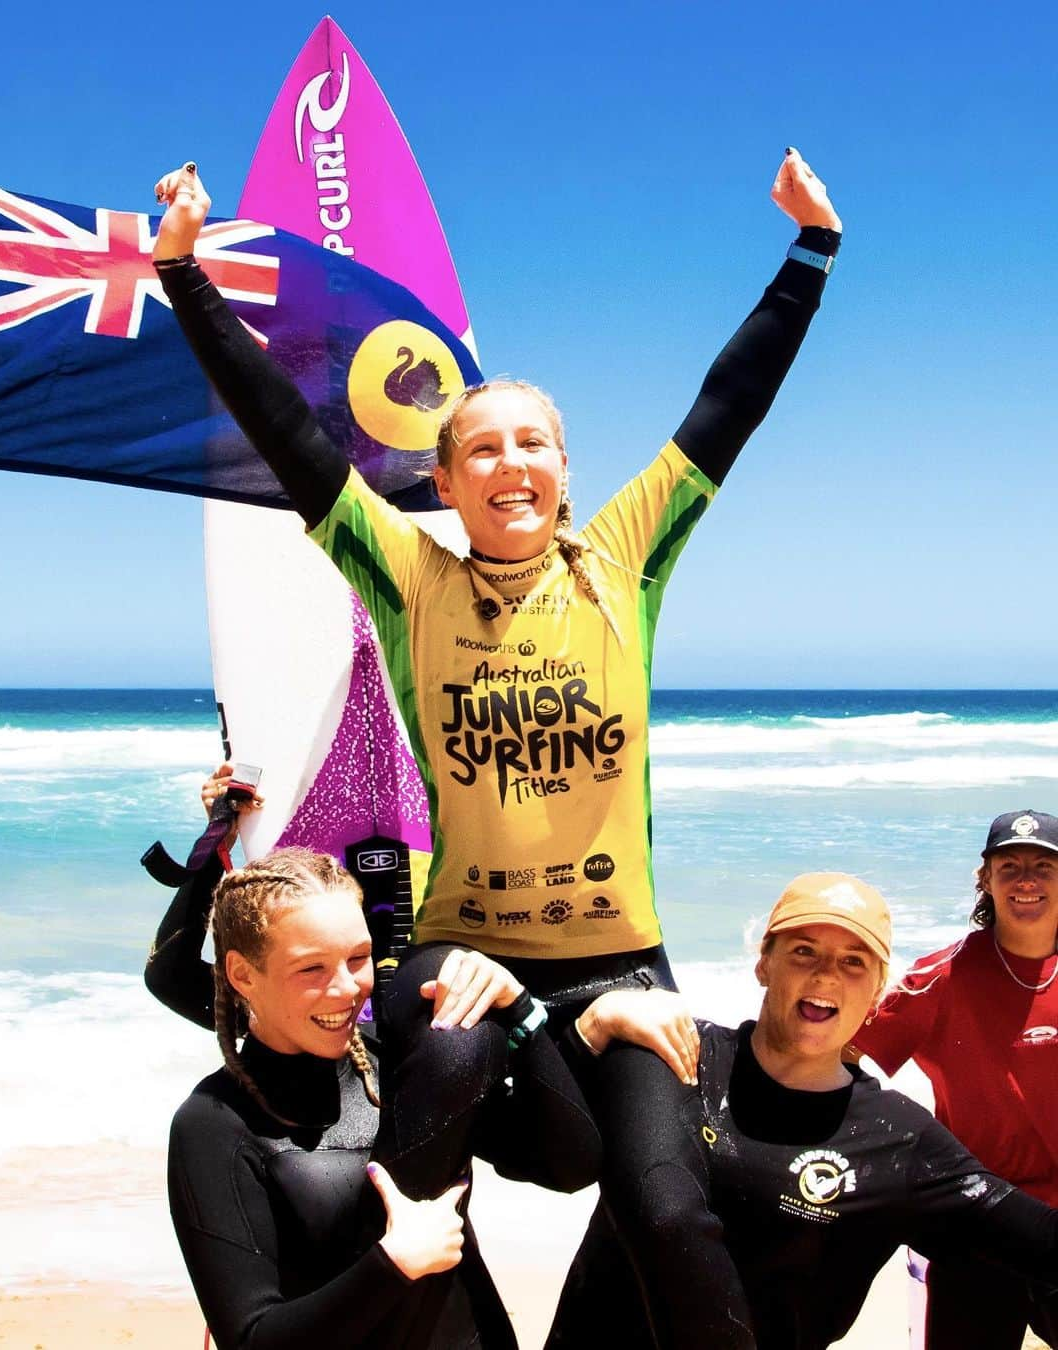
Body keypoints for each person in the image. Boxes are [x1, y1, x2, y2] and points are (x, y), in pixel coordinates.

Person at [149, 147, 839, 1283]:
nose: (508, 464)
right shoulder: (413, 579)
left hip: (621, 957)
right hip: (461, 950)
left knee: (666, 1219)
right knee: (425, 1173)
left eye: (531, 444)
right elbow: (288, 434)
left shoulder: (622, 564)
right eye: (481, 449)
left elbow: (729, 405)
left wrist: (812, 251)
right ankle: (402, 1310)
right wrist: (184, 276)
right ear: (451, 480)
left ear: (565, 469)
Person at [152, 773, 602, 1350]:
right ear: (242, 974)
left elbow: (569, 1166)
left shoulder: (402, 1073)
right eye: (311, 969)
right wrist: (392, 1264)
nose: (346, 989)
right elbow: (252, 1336)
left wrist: (522, 1013)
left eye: (359, 958)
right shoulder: (216, 1126)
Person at [548, 872, 1058, 1350]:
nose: (825, 974)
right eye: (803, 951)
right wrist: (585, 1033)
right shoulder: (672, 1051)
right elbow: (542, 1140)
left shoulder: (898, 1142)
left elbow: (1033, 1237)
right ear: (763, 962)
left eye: (854, 961)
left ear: (878, 992)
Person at [849, 810, 1058, 1349]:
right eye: (1009, 865)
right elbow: (840, 1051)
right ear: (984, 879)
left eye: (1043, 866)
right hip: (979, 1218)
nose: (1027, 880)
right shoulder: (939, 978)